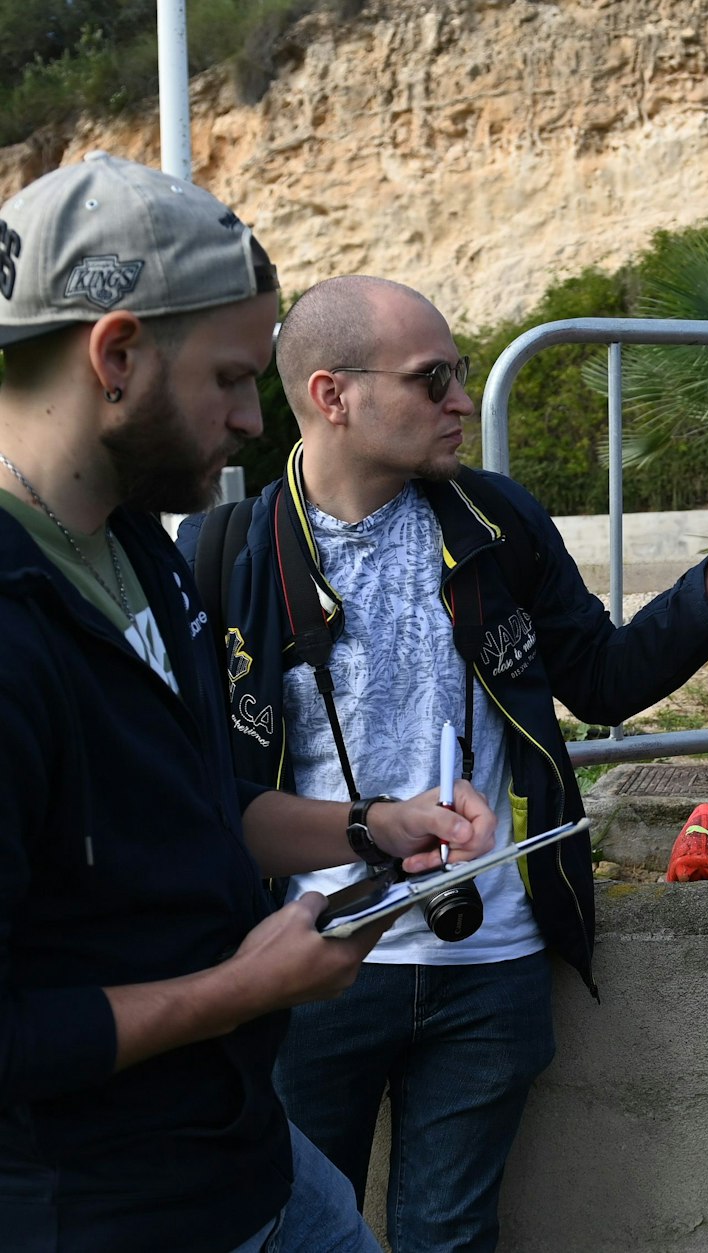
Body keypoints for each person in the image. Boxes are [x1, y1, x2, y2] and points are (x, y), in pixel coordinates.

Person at [174, 274, 708, 1252]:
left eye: (463, 376)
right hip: (307, 969)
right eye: (433, 381)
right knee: (293, 1231)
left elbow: (599, 680)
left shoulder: (497, 523)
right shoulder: (230, 552)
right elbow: (206, 784)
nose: (463, 401)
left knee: (453, 1235)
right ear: (331, 393)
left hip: (490, 960)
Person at [0, 156, 493, 1251]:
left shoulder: (138, 544)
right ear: (116, 354)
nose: (248, 418)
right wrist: (235, 990)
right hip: (100, 1207)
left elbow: (193, 801)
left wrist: (367, 824)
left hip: (248, 1158)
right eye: (229, 377)